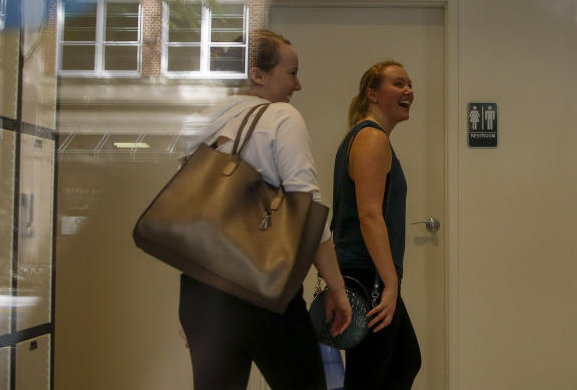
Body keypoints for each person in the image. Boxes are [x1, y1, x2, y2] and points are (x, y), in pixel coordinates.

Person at [178, 29, 352, 390]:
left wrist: (195, 310)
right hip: (263, 289)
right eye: (291, 73)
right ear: (258, 74)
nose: (298, 85)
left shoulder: (199, 123)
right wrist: (336, 288)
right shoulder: (281, 118)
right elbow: (307, 210)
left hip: (201, 293)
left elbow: (191, 219)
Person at [331, 60, 422, 389]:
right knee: (371, 375)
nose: (408, 90)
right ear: (372, 93)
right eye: (398, 84)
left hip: (366, 274)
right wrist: (390, 283)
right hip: (366, 275)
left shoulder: (369, 137)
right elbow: (370, 216)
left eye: (409, 84)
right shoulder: (371, 138)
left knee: (403, 361)